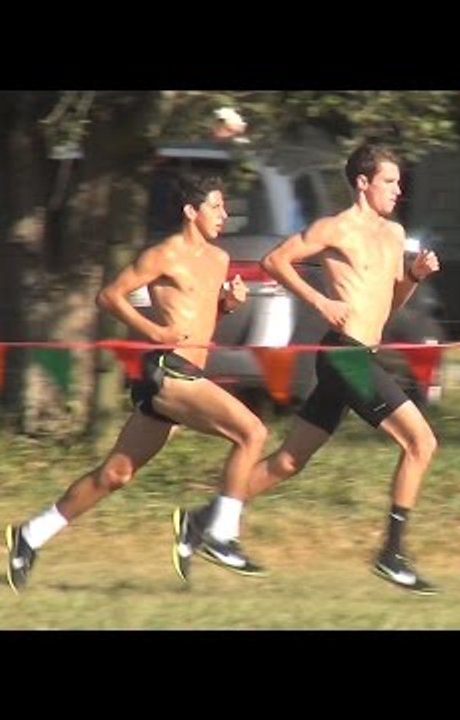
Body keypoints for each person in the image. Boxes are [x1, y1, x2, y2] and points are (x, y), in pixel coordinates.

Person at [175, 143, 442, 595]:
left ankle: (202, 521)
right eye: (389, 181)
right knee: (421, 442)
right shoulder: (334, 228)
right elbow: (273, 261)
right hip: (344, 355)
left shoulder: (395, 235)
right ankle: (391, 555)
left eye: (399, 182)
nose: (398, 190)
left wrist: (413, 277)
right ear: (363, 182)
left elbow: (389, 308)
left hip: (363, 353)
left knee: (289, 460)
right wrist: (319, 300)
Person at [4, 174, 270, 593]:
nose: (224, 215)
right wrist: (153, 330)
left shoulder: (218, 259)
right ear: (191, 211)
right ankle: (219, 533)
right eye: (216, 207)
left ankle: (30, 536)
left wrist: (228, 305)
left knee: (116, 473)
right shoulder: (163, 254)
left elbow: (202, 320)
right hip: (167, 370)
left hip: (190, 370)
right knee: (253, 432)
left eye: (224, 207)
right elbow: (109, 296)